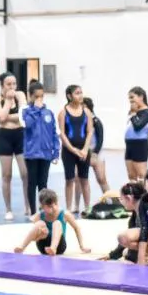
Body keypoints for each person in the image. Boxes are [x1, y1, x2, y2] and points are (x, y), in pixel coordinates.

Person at [0, 73, 29, 221]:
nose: (12, 87)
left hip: (20, 136)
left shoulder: (20, 95)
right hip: (4, 138)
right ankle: (8, 209)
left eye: (14, 84)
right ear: (2, 86)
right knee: (6, 175)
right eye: (9, 84)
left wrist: (6, 117)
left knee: (25, 174)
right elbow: (0, 118)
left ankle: (28, 205)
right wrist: (7, 101)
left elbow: (24, 116)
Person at [15, 189, 88, 255]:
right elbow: (33, 238)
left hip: (59, 247)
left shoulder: (64, 214)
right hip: (43, 247)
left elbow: (76, 228)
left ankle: (53, 248)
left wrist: (82, 246)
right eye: (50, 206)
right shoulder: (38, 216)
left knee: (57, 223)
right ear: (42, 206)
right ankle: (22, 247)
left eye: (56, 204)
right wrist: (40, 236)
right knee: (40, 223)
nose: (54, 208)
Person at [22, 81, 58, 217]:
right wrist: (35, 110)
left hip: (46, 154)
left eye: (41, 96)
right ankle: (33, 212)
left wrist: (55, 150)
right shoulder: (26, 112)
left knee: (43, 183)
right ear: (30, 96)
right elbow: (28, 125)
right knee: (32, 182)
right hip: (31, 154)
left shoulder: (49, 113)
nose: (39, 99)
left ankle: (43, 211)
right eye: (36, 96)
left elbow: (54, 132)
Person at [58, 84, 93, 216]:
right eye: (77, 93)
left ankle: (88, 207)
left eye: (81, 92)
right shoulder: (63, 113)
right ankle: (68, 209)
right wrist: (73, 149)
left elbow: (89, 132)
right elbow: (62, 133)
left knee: (84, 179)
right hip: (68, 151)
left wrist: (84, 149)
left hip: (84, 151)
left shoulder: (87, 112)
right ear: (69, 96)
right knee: (70, 179)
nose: (80, 95)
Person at [100, 181, 146, 263]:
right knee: (125, 251)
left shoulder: (142, 212)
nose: (121, 202)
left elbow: (141, 237)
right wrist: (112, 255)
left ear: (129, 198)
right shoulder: (136, 211)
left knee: (126, 249)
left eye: (121, 199)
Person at [82, 96, 111, 196]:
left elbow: (100, 139)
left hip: (96, 153)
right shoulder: (81, 121)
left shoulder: (96, 121)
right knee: (81, 180)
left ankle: (110, 200)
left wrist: (95, 153)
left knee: (101, 179)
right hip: (84, 153)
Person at [124, 87, 148, 182]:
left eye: (132, 97)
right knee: (131, 176)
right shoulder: (136, 113)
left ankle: (144, 195)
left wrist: (133, 114)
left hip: (140, 145)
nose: (130, 100)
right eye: (129, 98)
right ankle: (134, 196)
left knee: (141, 176)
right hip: (130, 146)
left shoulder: (147, 113)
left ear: (141, 97)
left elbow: (138, 126)